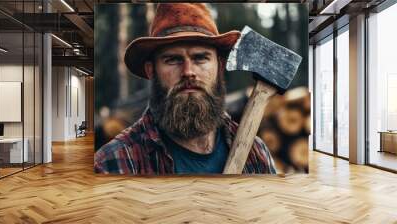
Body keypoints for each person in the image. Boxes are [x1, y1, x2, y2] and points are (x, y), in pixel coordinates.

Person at [94, 3, 277, 175]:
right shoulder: (114, 162)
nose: (188, 72)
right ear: (151, 70)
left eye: (200, 58)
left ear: (220, 66)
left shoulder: (256, 153)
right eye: (173, 59)